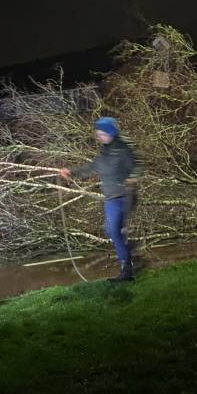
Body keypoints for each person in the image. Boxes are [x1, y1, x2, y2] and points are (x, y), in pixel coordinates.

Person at [59, 117, 142, 282]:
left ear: (111, 132)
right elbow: (91, 168)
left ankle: (127, 271)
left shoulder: (122, 149)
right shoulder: (104, 152)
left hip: (125, 195)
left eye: (102, 133)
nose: (99, 136)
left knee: (116, 232)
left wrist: (132, 179)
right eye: (98, 133)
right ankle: (128, 251)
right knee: (111, 231)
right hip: (111, 197)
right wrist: (72, 172)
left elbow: (137, 166)